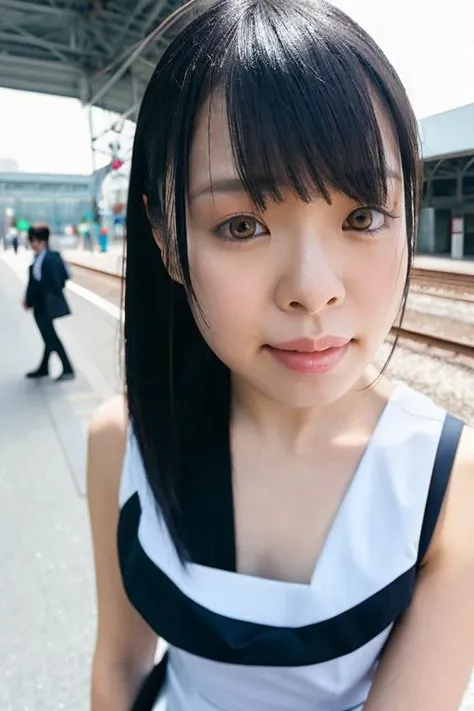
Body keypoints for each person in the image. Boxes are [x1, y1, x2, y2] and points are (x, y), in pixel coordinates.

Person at [86, 1, 474, 710]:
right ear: (167, 239)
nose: (313, 290)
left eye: (362, 216)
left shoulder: (446, 481)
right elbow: (118, 664)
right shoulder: (125, 439)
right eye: (242, 224)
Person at [23, 224, 75, 382]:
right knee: (49, 337)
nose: (32, 244)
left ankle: (67, 369)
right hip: (40, 305)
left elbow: (59, 280)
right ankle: (44, 368)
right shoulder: (39, 257)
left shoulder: (50, 258)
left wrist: (49, 294)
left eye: (34, 240)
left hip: (46, 305)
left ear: (42, 241)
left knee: (50, 337)